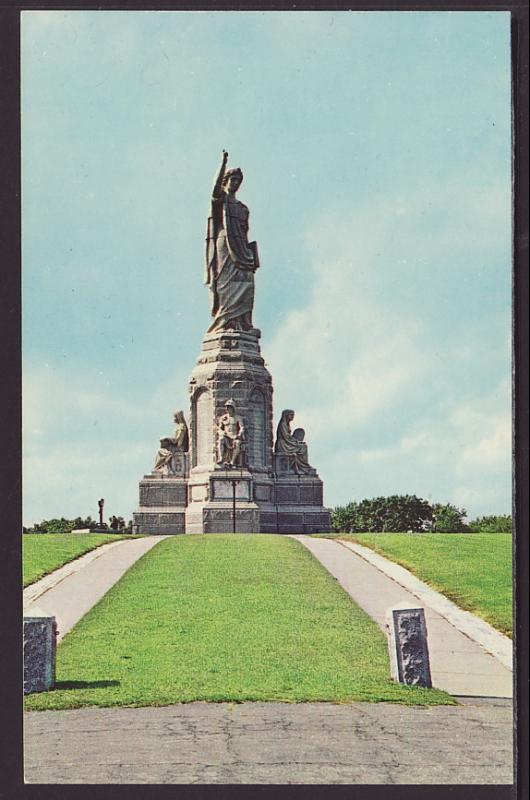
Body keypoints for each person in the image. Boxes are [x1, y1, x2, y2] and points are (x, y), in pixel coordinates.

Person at [205, 150, 260, 333]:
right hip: (225, 246)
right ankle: (226, 322)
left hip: (242, 249)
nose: (235, 183)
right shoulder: (221, 201)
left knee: (247, 281)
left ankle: (243, 323)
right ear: (226, 181)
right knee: (226, 283)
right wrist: (223, 163)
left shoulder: (243, 208)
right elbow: (214, 189)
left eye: (238, 181)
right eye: (232, 180)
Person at [274, 410, 312, 474]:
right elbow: (286, 437)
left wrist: (297, 441)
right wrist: (296, 443)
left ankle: (303, 466)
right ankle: (303, 466)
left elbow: (289, 437)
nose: (292, 417)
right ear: (286, 415)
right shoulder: (283, 424)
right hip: (283, 445)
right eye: (291, 415)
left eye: (293, 415)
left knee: (303, 446)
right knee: (303, 447)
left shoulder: (287, 424)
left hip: (287, 443)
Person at [216, 400, 245, 467]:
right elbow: (219, 428)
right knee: (221, 440)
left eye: (229, 407)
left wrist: (239, 434)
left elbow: (242, 427)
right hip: (226, 437)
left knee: (237, 443)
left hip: (234, 437)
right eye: (226, 407)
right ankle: (221, 458)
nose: (227, 409)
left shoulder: (238, 418)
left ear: (233, 408)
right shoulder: (223, 418)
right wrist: (222, 432)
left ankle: (232, 461)